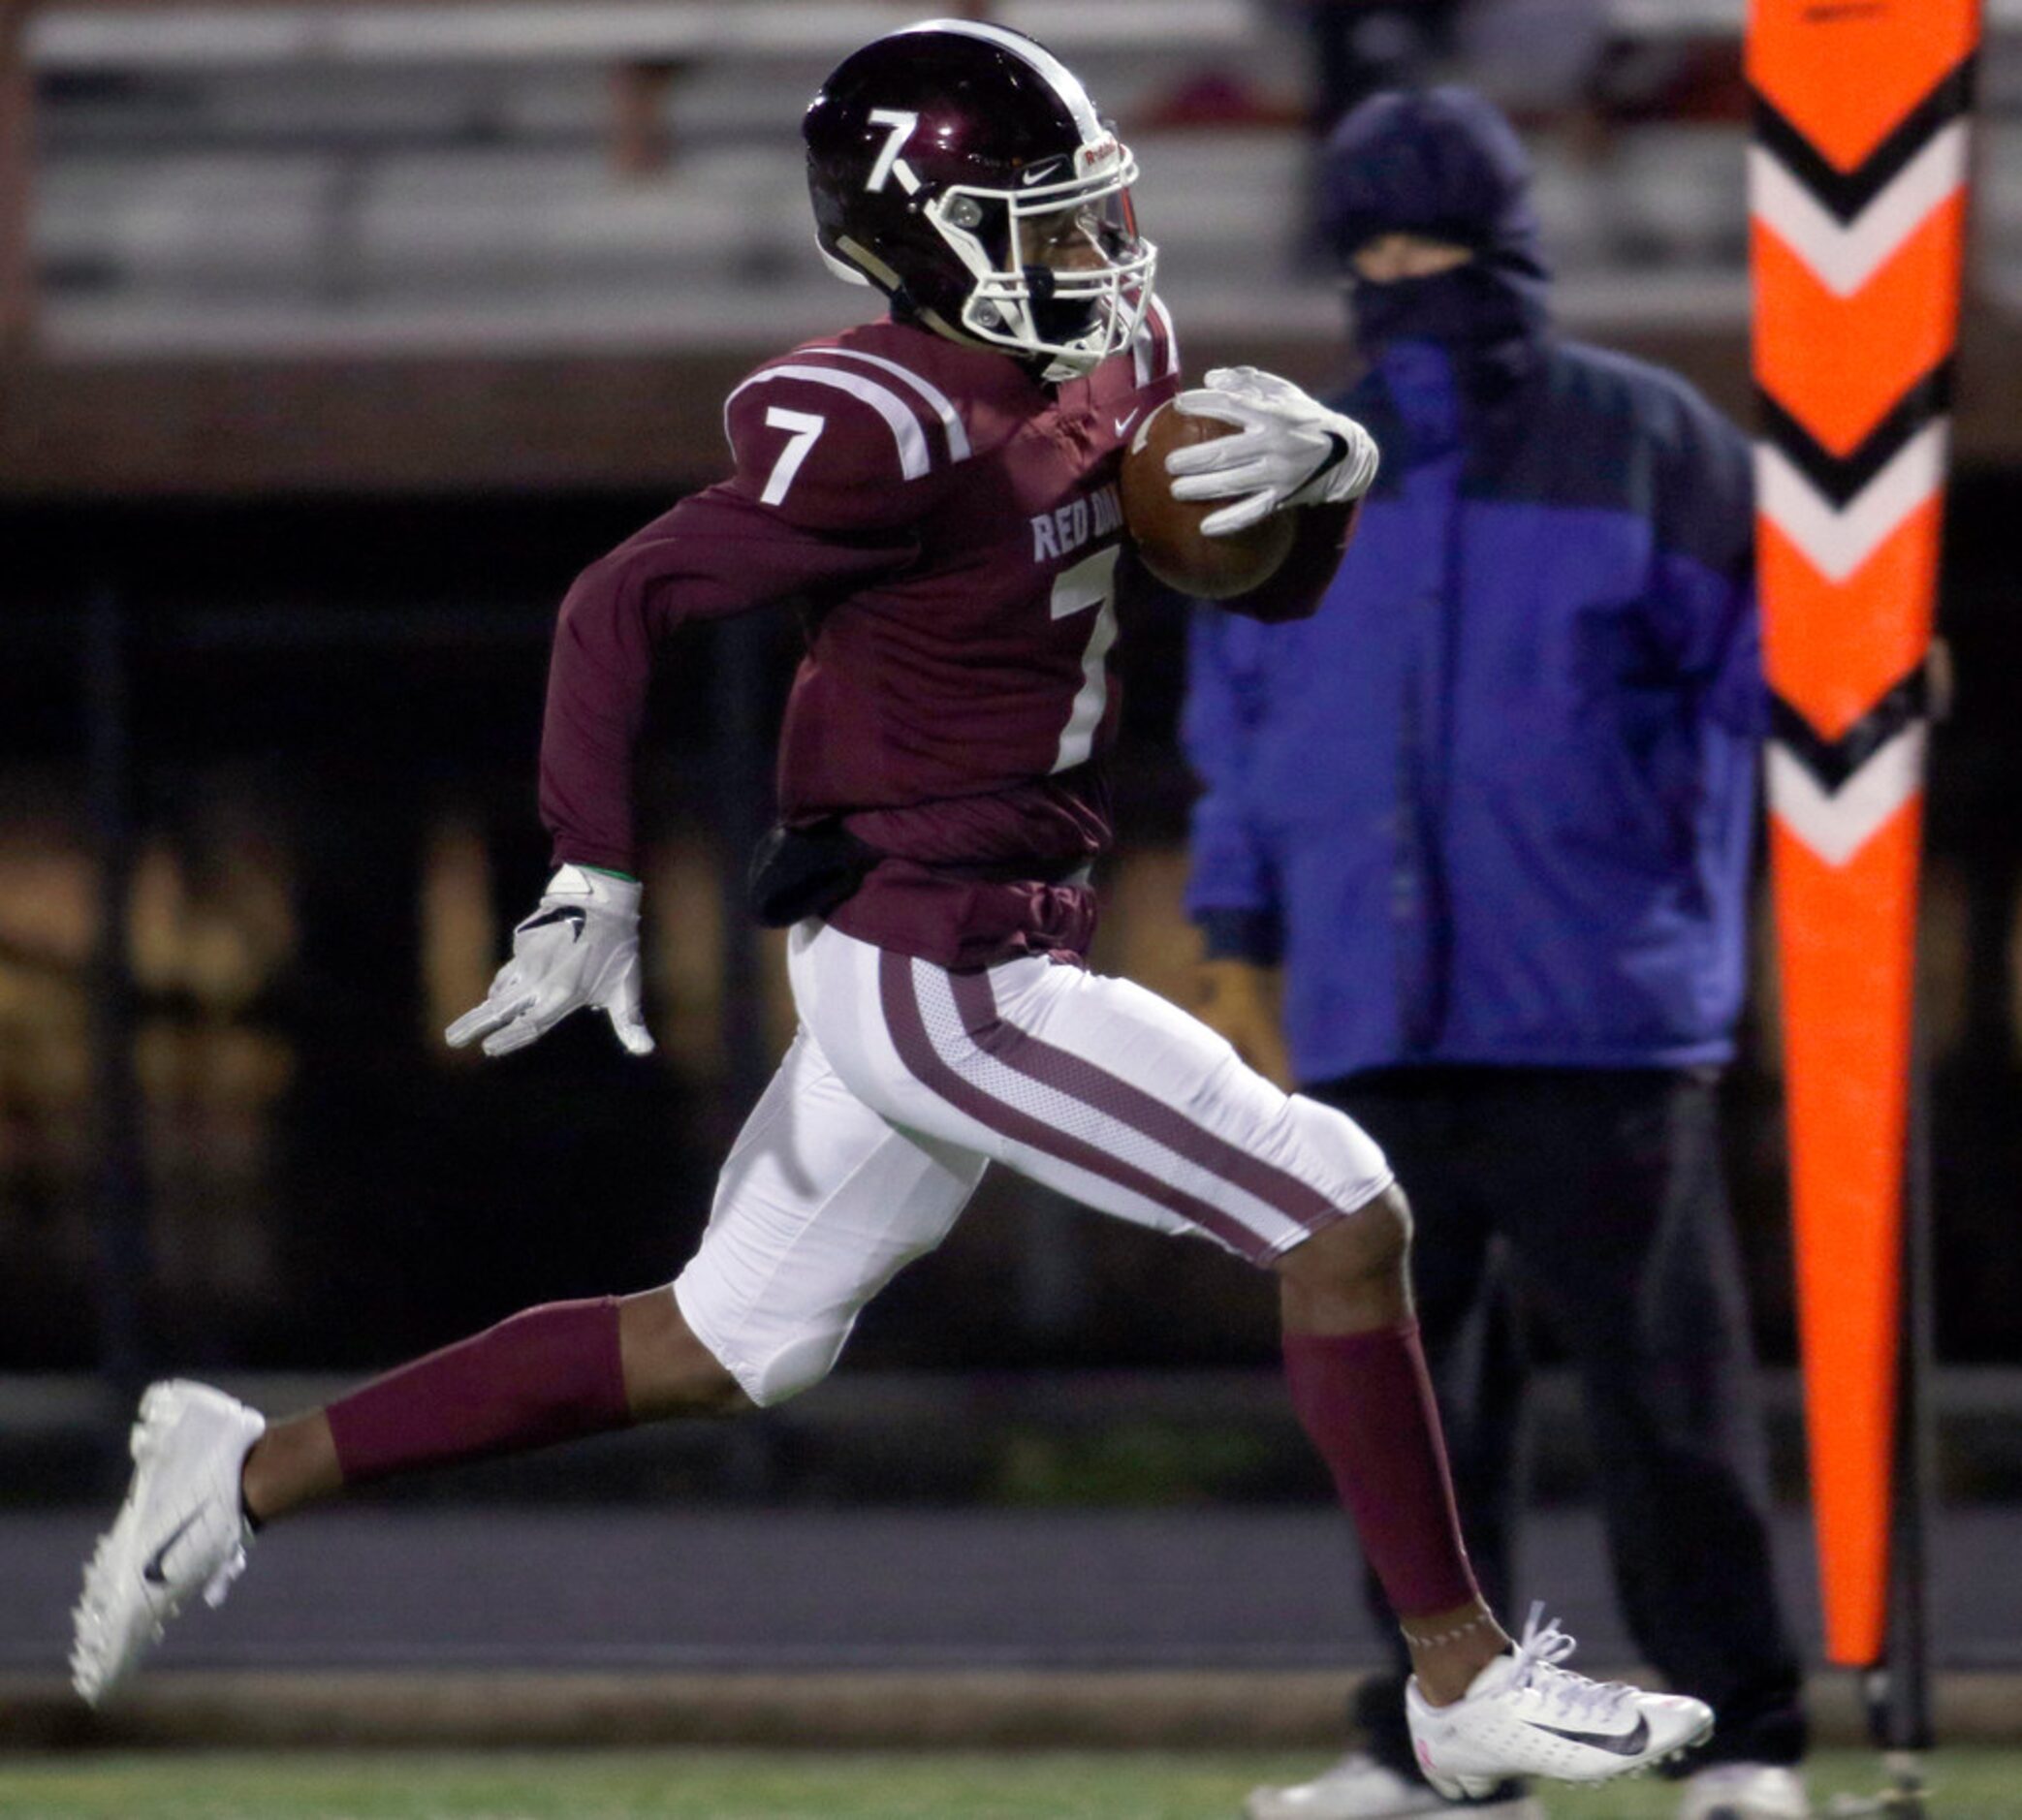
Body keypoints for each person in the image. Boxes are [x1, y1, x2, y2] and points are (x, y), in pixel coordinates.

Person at [71, 23, 1712, 1796]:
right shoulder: (875, 422)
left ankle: (237, 1467)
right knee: (1337, 1209)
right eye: (1044, 222)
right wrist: (590, 869)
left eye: (1098, 218)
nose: (1097, 260)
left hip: (995, 916)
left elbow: (1253, 585)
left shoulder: (1121, 345)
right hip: (941, 955)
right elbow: (616, 608)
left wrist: (1323, 487)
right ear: (919, 234)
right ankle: (1456, 1684)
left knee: (724, 1340)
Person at [1183, 88, 1805, 1820]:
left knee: (1661, 1410)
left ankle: (1741, 1738)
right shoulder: (1304, 458)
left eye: (1429, 243)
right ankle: (1435, 1751)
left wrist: (1869, 694)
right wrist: (1236, 930)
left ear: (1505, 239)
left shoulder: (1647, 438)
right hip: (1373, 1017)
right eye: (1370, 248)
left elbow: (1765, 670)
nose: (1399, 275)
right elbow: (1243, 721)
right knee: (1404, 1430)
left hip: (1600, 1005)